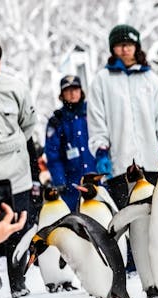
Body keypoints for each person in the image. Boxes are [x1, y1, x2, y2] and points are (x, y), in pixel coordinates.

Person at [87, 24, 158, 208]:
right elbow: (96, 119)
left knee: (155, 216)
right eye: (119, 45)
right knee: (127, 220)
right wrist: (101, 151)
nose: (125, 49)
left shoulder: (150, 79)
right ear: (113, 48)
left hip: (151, 163)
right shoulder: (102, 80)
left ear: (136, 46)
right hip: (120, 165)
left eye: (129, 44)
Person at [0, 39, 38, 298]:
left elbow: (28, 123)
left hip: (16, 174)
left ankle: (17, 282)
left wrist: (13, 145)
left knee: (19, 229)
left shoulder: (15, 88)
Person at [45, 75, 96, 211]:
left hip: (97, 177)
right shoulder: (56, 122)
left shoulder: (93, 112)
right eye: (68, 90)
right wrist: (59, 180)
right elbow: (52, 155)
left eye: (75, 89)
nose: (72, 94)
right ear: (62, 95)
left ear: (81, 91)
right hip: (72, 184)